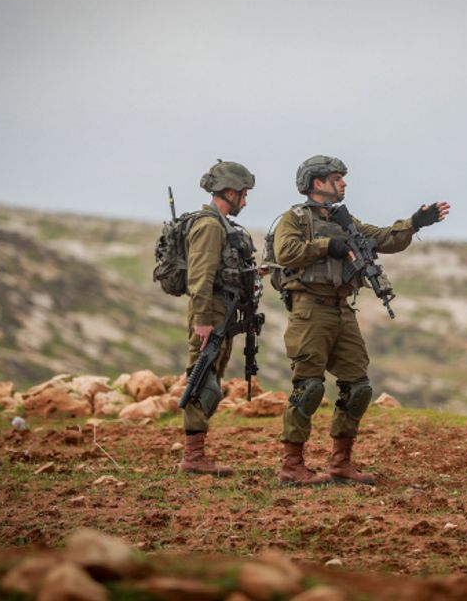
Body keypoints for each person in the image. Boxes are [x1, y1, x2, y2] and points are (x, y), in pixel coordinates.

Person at [271, 155, 449, 485]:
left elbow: (383, 238)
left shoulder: (345, 219)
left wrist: (415, 222)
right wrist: (329, 246)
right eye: (337, 177)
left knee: (358, 387)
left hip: (342, 310)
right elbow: (286, 252)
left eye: (342, 178)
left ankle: (341, 464)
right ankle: (292, 467)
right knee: (308, 387)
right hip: (309, 310)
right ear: (317, 183)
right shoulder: (294, 218)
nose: (344, 183)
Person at [177, 160, 257, 477]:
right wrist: (202, 320)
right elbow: (200, 278)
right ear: (228, 191)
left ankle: (197, 452)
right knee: (202, 379)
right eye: (243, 194)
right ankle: (192, 457)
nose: (245, 201)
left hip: (221, 311)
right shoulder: (209, 226)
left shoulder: (221, 225)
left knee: (212, 377)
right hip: (209, 312)